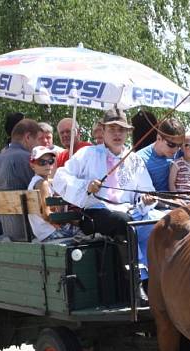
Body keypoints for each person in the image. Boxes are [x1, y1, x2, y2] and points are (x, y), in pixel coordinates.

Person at [53, 108, 158, 303]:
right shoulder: (87, 154)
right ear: (103, 130)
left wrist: (146, 199)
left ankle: (157, 281)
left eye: (122, 130)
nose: (117, 134)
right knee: (125, 223)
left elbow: (145, 189)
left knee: (157, 223)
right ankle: (136, 284)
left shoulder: (133, 159)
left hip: (128, 211)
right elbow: (60, 178)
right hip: (95, 213)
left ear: (127, 132)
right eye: (113, 129)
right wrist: (86, 186)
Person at [0, 118, 44, 240]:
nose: (39, 145)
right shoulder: (28, 159)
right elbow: (41, 194)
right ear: (28, 137)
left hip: (8, 231)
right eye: (37, 139)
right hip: (30, 233)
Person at [26, 146, 80, 242]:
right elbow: (47, 215)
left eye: (50, 161)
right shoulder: (42, 184)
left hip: (42, 231)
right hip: (50, 231)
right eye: (42, 162)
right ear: (32, 165)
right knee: (86, 231)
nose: (47, 165)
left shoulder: (34, 182)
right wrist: (68, 220)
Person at [136, 117, 185, 192]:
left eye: (179, 145)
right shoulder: (140, 158)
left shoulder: (180, 153)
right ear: (159, 138)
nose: (176, 149)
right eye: (171, 144)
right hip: (154, 201)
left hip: (180, 198)